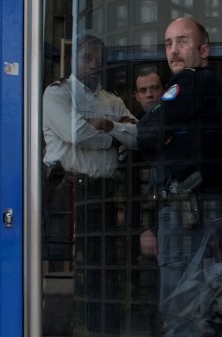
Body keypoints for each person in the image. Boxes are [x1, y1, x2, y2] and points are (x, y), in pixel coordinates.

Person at [137, 17, 222, 337]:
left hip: (193, 207)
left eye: (182, 42)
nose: (174, 50)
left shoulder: (196, 82)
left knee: (184, 300)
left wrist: (159, 131)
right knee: (199, 298)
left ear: (203, 51)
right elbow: (151, 133)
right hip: (192, 205)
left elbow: (147, 131)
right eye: (167, 44)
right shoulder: (196, 89)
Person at [42, 34, 138, 267]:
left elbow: (137, 136)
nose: (95, 63)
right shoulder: (57, 93)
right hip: (67, 190)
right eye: (87, 57)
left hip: (104, 192)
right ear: (73, 60)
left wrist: (106, 125)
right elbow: (76, 133)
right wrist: (116, 137)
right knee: (62, 266)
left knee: (103, 265)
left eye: (101, 58)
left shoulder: (112, 101)